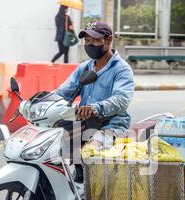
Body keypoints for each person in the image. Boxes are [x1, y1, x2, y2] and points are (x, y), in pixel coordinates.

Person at [55, 21, 135, 182]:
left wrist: (94, 108)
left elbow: (121, 100)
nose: (90, 45)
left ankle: (93, 194)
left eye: (95, 40)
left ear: (108, 40)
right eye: (87, 41)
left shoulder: (121, 69)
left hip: (111, 126)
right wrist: (40, 101)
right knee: (50, 145)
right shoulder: (84, 68)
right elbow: (63, 92)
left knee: (89, 153)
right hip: (85, 122)